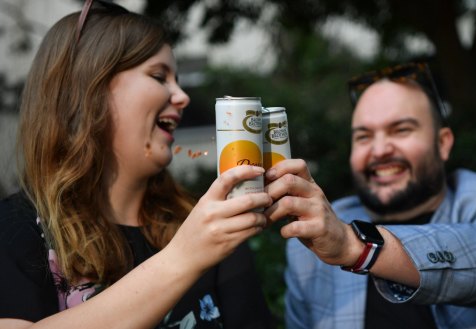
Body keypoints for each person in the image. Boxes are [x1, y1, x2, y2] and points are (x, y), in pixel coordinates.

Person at [0, 1, 275, 328]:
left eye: (178, 79)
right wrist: (183, 258)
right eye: (159, 76)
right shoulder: (18, 228)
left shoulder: (206, 227)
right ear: (89, 91)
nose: (182, 96)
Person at [263, 62, 476, 328]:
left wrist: (356, 247)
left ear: (443, 143)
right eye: (364, 136)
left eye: (401, 130)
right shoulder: (312, 243)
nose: (380, 149)